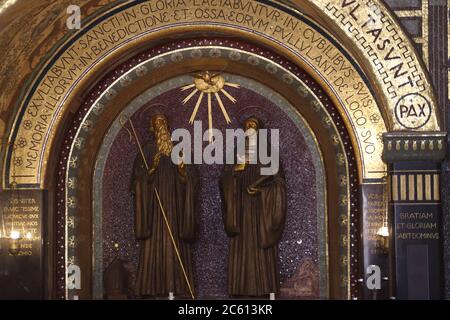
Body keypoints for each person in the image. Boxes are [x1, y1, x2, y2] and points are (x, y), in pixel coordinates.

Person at [132, 114, 197, 298]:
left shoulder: (177, 149)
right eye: (158, 123)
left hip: (176, 207)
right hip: (154, 209)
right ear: (153, 128)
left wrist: (184, 171)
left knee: (176, 243)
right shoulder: (147, 151)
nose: (162, 126)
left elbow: (192, 178)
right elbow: (137, 181)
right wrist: (150, 171)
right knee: (153, 246)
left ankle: (178, 287)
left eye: (164, 123)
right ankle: (152, 287)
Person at [221, 117, 286, 298]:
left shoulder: (268, 152)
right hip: (240, 208)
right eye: (247, 126)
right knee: (241, 246)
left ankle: (266, 290)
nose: (250, 129)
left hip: (261, 210)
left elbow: (279, 181)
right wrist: (234, 173)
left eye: (253, 126)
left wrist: (263, 191)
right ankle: (240, 289)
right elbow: (224, 178)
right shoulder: (238, 152)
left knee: (261, 248)